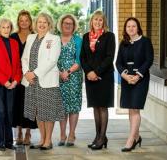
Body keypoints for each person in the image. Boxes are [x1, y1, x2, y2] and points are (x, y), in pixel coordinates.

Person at [22, 13, 64, 150]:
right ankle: (41, 139)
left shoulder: (55, 39)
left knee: (48, 111)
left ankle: (48, 140)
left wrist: (34, 73)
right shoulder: (30, 37)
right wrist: (26, 73)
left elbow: (52, 60)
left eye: (45, 22)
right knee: (38, 111)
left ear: (49, 24)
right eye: (39, 22)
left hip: (47, 80)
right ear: (35, 24)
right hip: (32, 81)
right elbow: (24, 58)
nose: (42, 24)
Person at [116, 17, 154, 152]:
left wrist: (138, 76)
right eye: (128, 26)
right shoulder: (123, 43)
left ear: (138, 28)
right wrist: (125, 76)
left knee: (135, 108)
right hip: (127, 79)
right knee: (130, 109)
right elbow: (118, 63)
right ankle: (137, 136)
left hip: (140, 80)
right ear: (125, 29)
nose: (131, 28)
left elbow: (149, 60)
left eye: (133, 26)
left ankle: (130, 140)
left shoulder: (145, 42)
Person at [80, 10, 115, 150]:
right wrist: (89, 72)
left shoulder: (109, 36)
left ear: (104, 22)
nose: (98, 22)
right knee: (95, 106)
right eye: (95, 20)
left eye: (100, 20)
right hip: (90, 77)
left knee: (103, 107)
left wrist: (96, 72)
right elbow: (83, 57)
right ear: (91, 22)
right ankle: (98, 136)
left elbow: (109, 57)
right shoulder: (85, 37)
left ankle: (102, 137)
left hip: (104, 77)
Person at [0, 18, 22, 151]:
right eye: (3, 27)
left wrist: (15, 80)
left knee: (9, 112)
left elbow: (18, 65)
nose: (6, 29)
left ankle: (8, 142)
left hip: (12, 83)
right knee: (0, 111)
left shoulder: (14, 43)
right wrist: (5, 81)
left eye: (8, 27)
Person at [10, 10, 37, 146]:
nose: (24, 22)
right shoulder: (13, 36)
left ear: (30, 21)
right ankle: (19, 132)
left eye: (26, 20)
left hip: (30, 76)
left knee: (29, 105)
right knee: (18, 105)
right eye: (21, 20)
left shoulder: (35, 36)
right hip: (17, 75)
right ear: (18, 22)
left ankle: (28, 133)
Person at [57, 14, 83, 147]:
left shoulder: (78, 40)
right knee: (62, 107)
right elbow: (51, 58)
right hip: (58, 77)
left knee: (73, 107)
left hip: (74, 77)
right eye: (65, 23)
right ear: (61, 25)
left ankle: (72, 134)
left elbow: (79, 60)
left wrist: (67, 72)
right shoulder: (56, 39)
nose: (67, 25)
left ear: (74, 26)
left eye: (70, 24)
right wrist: (60, 73)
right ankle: (62, 134)